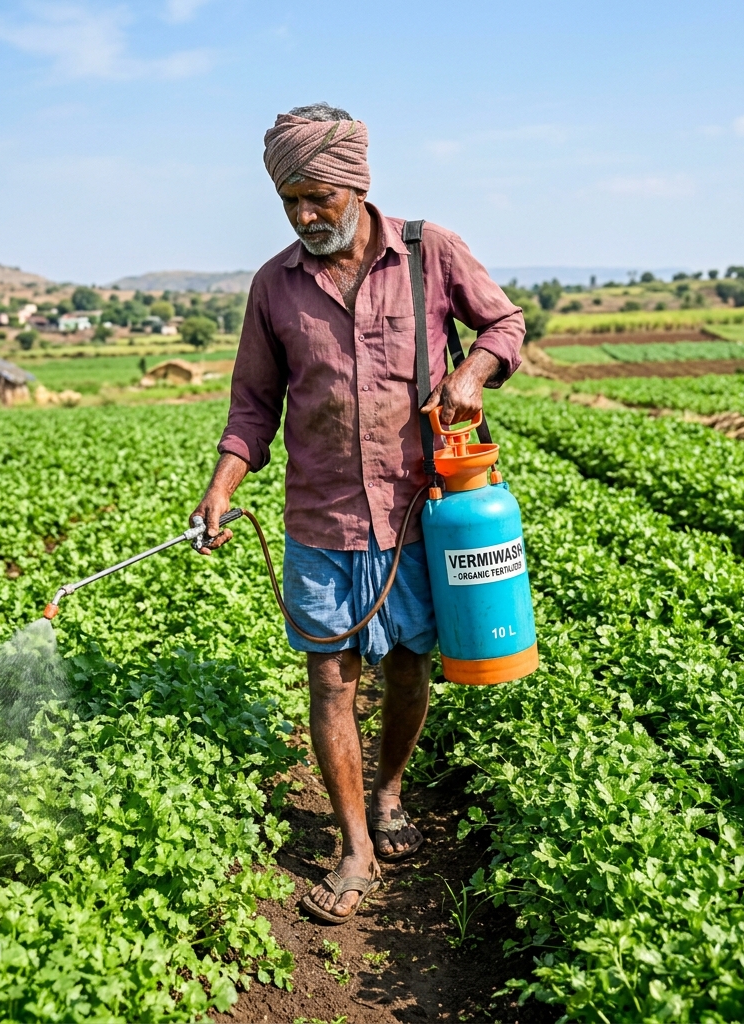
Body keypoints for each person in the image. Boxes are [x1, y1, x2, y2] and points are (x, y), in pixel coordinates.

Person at [191, 103, 525, 923]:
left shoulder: (428, 252)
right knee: (331, 677)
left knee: (409, 666)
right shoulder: (274, 286)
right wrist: (222, 487)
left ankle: (388, 792)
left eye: (320, 199)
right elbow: (252, 407)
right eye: (290, 202)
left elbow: (505, 323)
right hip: (320, 519)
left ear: (357, 185)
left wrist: (474, 373)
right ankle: (353, 844)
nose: (306, 216)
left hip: (420, 510)